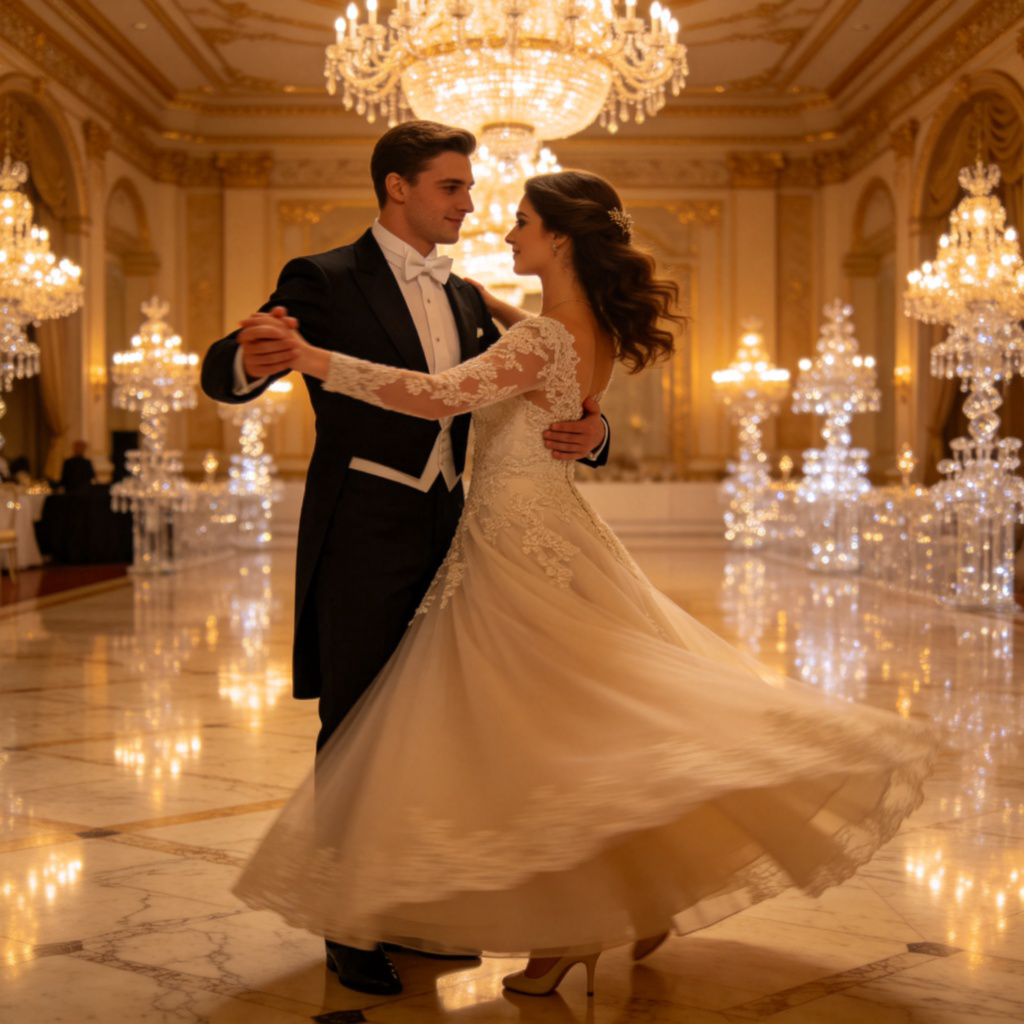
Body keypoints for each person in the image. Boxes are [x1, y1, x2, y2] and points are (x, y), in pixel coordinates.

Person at [231, 168, 937, 998]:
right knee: (591, 724)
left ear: (559, 237)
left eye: (522, 220)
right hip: (549, 529)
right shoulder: (575, 326)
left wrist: (313, 359)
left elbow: (436, 398)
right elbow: (540, 364)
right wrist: (494, 312)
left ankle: (569, 928)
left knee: (545, 738)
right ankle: (632, 894)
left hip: (511, 547)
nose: (503, 230)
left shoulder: (540, 339)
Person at [201, 122, 608, 996]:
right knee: (356, 727)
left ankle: (414, 909)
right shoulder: (326, 276)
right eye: (453, 187)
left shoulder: (464, 295)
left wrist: (596, 429)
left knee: (430, 730)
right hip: (362, 531)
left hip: (459, 531)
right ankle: (348, 924)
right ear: (398, 188)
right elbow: (226, 369)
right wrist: (248, 356)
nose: (471, 202)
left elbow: (546, 372)